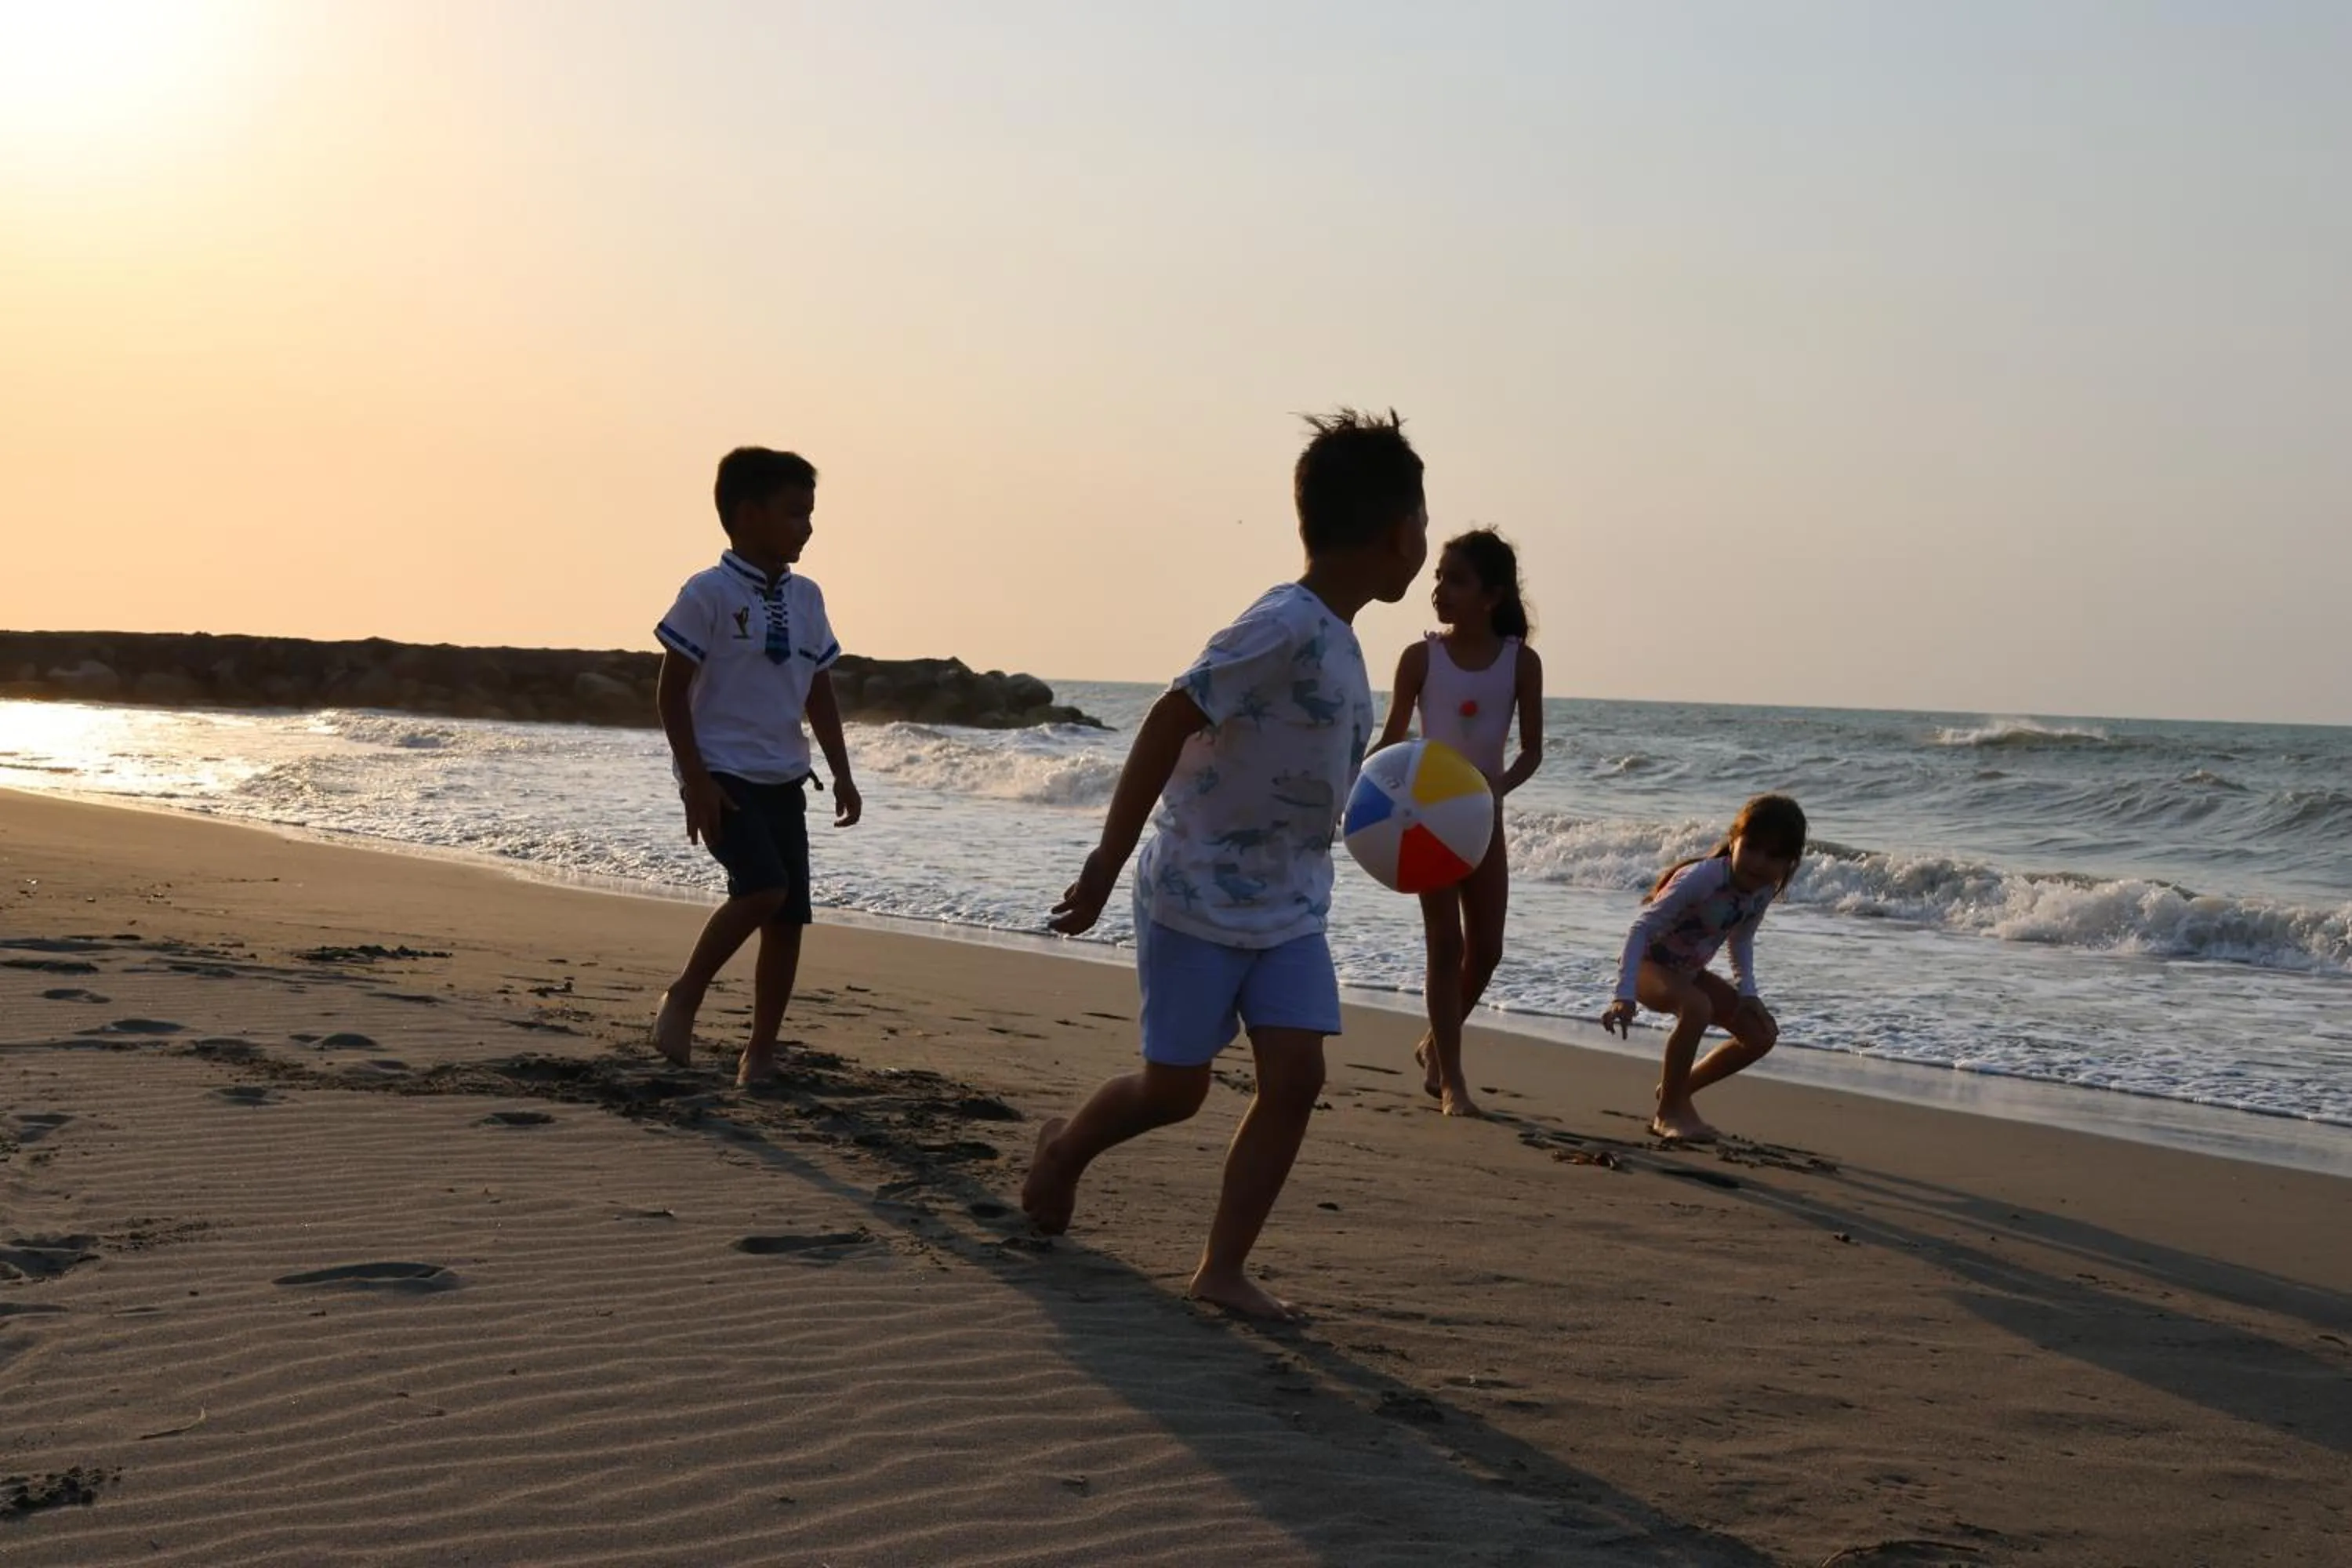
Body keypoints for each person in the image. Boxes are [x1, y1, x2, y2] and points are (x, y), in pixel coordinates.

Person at [1021, 409, 1431, 1319]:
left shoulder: (1341, 637)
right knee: (1177, 1088)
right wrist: (1106, 859)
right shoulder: (1282, 623)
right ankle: (1065, 1147)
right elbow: (1172, 714)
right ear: (1398, 532)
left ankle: (1222, 1266)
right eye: (1424, 522)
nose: (1426, 541)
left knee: (1297, 1076)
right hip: (1196, 892)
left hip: (1291, 906)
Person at [649, 446, 862, 1086]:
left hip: (785, 775)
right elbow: (670, 693)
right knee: (763, 888)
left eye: (811, 514)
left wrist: (842, 772)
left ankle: (760, 1053)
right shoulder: (707, 593)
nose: (807, 528)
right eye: (795, 513)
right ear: (747, 515)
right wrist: (695, 780)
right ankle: (685, 993)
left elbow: (819, 691)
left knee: (788, 918)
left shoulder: (808, 598)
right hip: (722, 773)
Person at [1374, 528, 1544, 1117]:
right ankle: (1452, 1080)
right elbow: (1393, 739)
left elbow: (1531, 751)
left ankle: (1433, 1045)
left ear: (1491, 596)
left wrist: (1501, 786)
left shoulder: (1521, 663)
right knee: (1445, 944)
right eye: (1440, 577)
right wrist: (1357, 789)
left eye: (1456, 580)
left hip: (1484, 818)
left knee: (1487, 950)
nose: (1440, 589)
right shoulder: (1421, 658)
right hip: (1424, 818)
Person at [1601, 794, 1807, 1142]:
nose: (1759, 863)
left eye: (1774, 856)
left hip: (1687, 973)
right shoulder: (1702, 878)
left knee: (1760, 1034)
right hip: (1646, 967)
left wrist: (1748, 993)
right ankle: (1668, 1113)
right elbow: (1640, 929)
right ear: (1734, 839)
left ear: (1790, 861)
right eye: (1752, 847)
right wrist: (1623, 995)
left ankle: (1675, 1091)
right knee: (1697, 1006)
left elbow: (1741, 940)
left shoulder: (1761, 891)